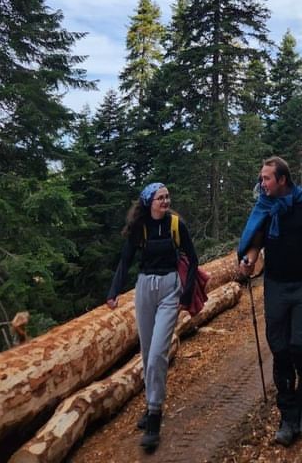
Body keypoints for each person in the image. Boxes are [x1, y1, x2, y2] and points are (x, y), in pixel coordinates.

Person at [238, 157, 302, 447]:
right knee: (281, 350)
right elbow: (257, 242)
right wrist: (250, 260)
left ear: (282, 179)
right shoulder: (266, 207)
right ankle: (288, 417)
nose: (262, 183)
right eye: (261, 178)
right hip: (275, 287)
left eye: (266, 178)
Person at [107, 182, 199, 450]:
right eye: (161, 198)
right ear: (149, 202)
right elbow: (125, 260)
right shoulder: (141, 227)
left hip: (170, 289)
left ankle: (155, 414)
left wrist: (186, 294)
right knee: (147, 352)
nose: (166, 201)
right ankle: (150, 404)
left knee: (159, 351)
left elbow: (192, 259)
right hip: (145, 288)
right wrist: (113, 292)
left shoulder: (175, 225)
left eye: (168, 197)